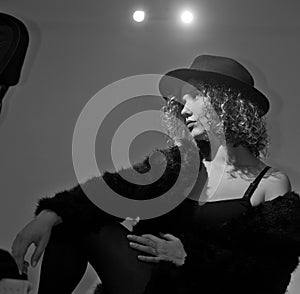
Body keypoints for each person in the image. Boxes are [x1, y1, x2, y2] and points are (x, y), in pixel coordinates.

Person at [11, 55, 300, 294]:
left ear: (226, 104)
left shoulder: (271, 183)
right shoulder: (176, 164)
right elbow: (108, 191)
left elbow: (269, 275)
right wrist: (47, 215)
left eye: (193, 98)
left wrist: (187, 257)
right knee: (70, 220)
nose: (183, 109)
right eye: (181, 101)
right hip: (145, 281)